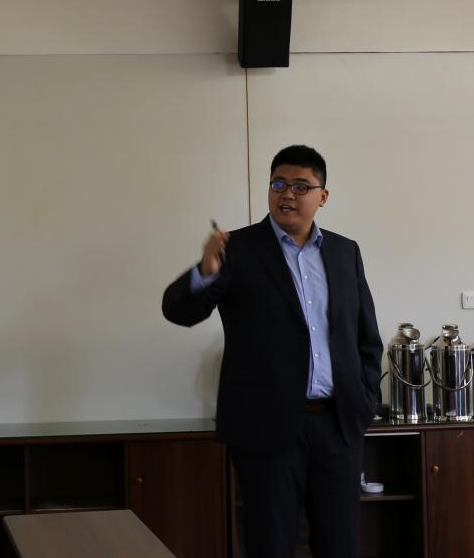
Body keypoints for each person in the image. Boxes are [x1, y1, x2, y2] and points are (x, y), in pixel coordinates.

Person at [161, 145, 382, 557]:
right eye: (278, 184)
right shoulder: (238, 249)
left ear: (322, 196)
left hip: (337, 426)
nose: (287, 194)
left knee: (339, 545)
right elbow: (179, 311)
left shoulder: (345, 252)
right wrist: (205, 271)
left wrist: (365, 400)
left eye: (300, 186)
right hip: (265, 429)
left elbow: (366, 337)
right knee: (270, 545)